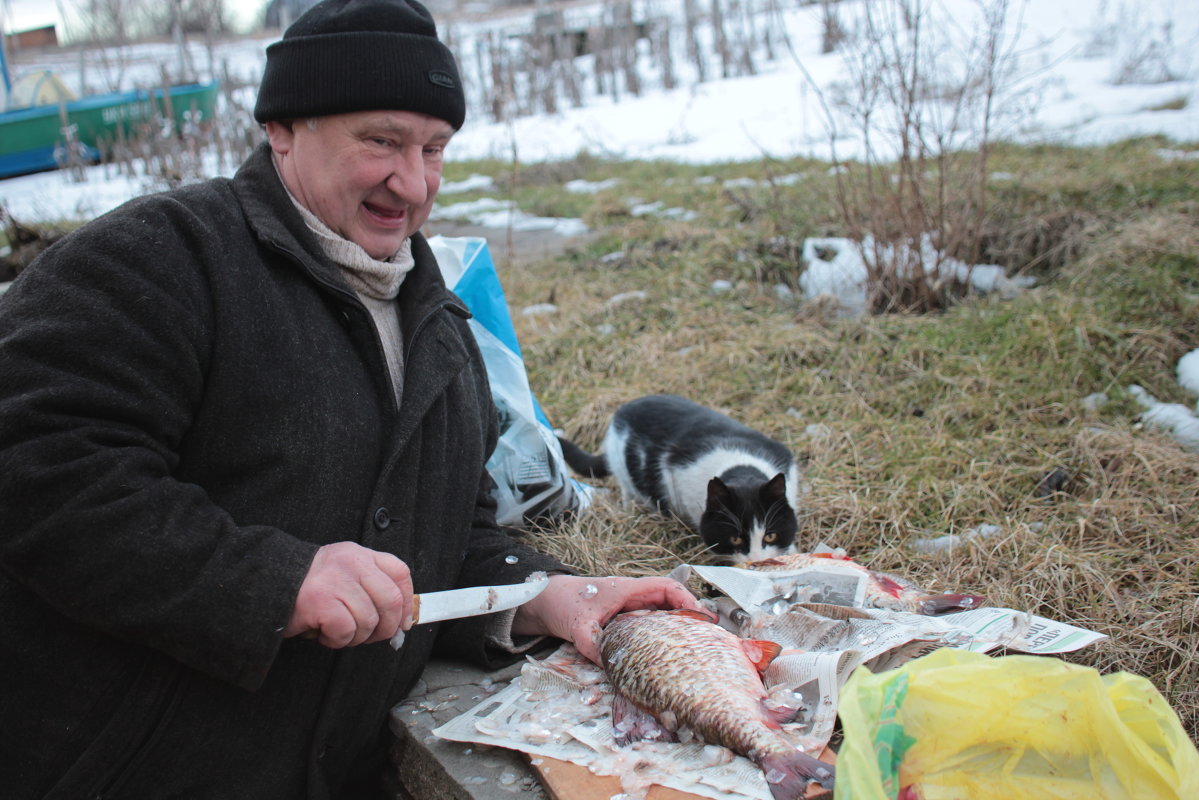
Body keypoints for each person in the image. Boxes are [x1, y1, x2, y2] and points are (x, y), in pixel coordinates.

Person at [0, 1, 706, 797]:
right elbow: (35, 469)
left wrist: (549, 594)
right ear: (283, 128)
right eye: (381, 141)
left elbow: (447, 538)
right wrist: (273, 580)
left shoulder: (439, 325)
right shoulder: (163, 257)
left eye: (434, 149)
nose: (413, 183)